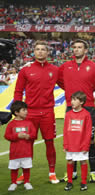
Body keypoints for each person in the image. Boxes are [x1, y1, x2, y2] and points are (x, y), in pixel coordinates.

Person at [13, 40, 60, 184]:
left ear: (47, 52)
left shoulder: (54, 70)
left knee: (49, 142)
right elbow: (19, 90)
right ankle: (24, 173)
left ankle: (52, 173)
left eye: (43, 49)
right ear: (34, 51)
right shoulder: (26, 70)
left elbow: (68, 82)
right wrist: (17, 111)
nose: (40, 51)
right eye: (37, 49)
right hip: (30, 113)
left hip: (47, 112)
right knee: (27, 143)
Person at [58, 39, 95, 183]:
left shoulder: (94, 66)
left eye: (80, 47)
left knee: (89, 140)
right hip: (71, 108)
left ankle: (93, 171)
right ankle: (73, 172)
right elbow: (59, 81)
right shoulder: (65, 66)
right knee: (72, 139)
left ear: (85, 50)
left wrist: (89, 89)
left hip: (89, 107)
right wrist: (72, 93)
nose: (77, 49)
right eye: (75, 47)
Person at [5, 101, 37, 191]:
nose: (26, 112)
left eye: (26, 109)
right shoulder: (11, 124)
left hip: (26, 151)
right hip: (15, 152)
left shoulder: (29, 123)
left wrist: (28, 136)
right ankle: (13, 183)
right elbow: (7, 136)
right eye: (24, 110)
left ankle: (27, 182)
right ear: (16, 112)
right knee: (14, 168)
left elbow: (34, 135)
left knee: (26, 167)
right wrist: (17, 136)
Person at [63, 91, 92, 191]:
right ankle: (69, 182)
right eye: (72, 99)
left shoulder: (86, 114)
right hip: (70, 144)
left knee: (83, 161)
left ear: (82, 102)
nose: (72, 102)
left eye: (75, 100)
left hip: (81, 144)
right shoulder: (68, 114)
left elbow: (88, 132)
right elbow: (65, 130)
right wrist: (65, 144)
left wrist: (85, 146)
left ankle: (83, 182)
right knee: (70, 161)